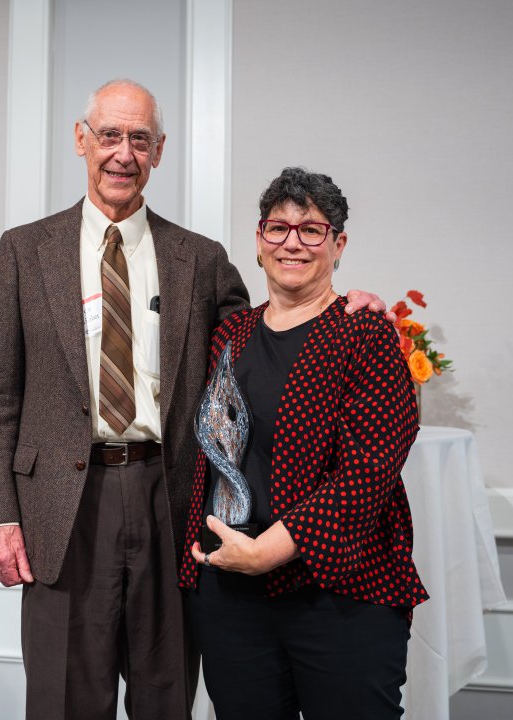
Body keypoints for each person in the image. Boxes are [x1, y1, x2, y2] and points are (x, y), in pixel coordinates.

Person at [0, 80, 387, 720]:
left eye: (139, 139)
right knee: (63, 697)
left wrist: (346, 304)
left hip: (170, 496)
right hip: (61, 505)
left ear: (159, 151)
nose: (122, 153)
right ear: (81, 140)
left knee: (165, 692)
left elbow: (266, 330)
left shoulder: (199, 257)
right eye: (109, 135)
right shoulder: (25, 251)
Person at [180, 167, 429, 720]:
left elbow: (370, 471)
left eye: (312, 229)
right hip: (231, 597)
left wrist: (266, 552)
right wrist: (231, 558)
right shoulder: (231, 333)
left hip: (339, 592)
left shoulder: (366, 332)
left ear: (338, 245)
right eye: (278, 228)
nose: (292, 242)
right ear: (259, 241)